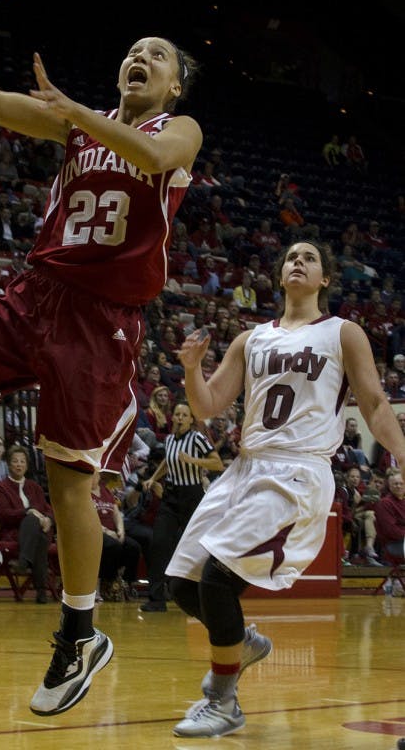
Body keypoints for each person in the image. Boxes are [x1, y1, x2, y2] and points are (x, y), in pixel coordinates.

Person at [0, 0, 203, 718]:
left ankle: (80, 633)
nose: (140, 58)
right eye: (133, 51)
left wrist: (79, 112)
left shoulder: (179, 130)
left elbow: (156, 155)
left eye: (156, 56)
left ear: (173, 85)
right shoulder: (77, 127)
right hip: (37, 293)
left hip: (101, 324)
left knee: (70, 481)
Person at [165, 241, 405, 739]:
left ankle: (222, 700)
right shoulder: (251, 340)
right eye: (291, 257)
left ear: (324, 280)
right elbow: (208, 405)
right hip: (245, 468)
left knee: (216, 581)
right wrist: (191, 369)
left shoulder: (343, 333)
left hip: (296, 473)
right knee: (182, 586)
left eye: (310, 258)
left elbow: (376, 404)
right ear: (278, 276)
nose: (298, 261)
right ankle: (243, 644)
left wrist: (403, 454)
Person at [139, 400, 223, 612]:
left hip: (192, 496)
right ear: (172, 417)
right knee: (159, 543)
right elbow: (168, 462)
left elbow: (217, 463)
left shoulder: (197, 438)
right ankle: (156, 599)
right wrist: (153, 478)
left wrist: (193, 461)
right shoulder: (168, 440)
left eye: (184, 415)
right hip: (170, 496)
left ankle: (198, 597)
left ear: (191, 419)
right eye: (177, 414)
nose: (180, 418)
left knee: (194, 548)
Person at [0, 445, 54, 604]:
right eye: (15, 461)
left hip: (41, 529)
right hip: (14, 530)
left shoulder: (35, 486)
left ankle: (24, 560)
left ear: (27, 465)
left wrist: (48, 518)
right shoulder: (2, 487)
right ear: (9, 464)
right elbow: (3, 514)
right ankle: (41, 590)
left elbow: (48, 510)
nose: (19, 465)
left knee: (38, 529)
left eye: (22, 461)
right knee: (35, 526)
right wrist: (27, 512)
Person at [91, 469, 141, 601]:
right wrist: (107, 532)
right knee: (112, 546)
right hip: (94, 533)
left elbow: (116, 513)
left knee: (133, 547)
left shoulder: (105, 490)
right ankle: (107, 580)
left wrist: (120, 530)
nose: (94, 478)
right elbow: (88, 519)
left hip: (113, 532)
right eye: (91, 475)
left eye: (96, 474)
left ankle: (127, 583)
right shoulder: (83, 494)